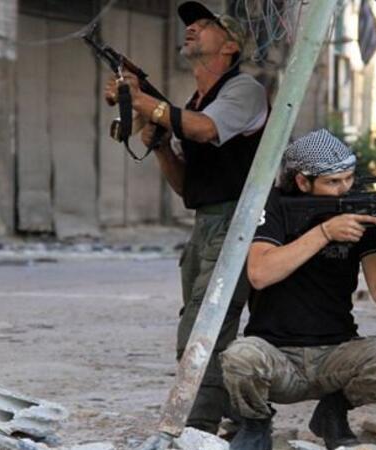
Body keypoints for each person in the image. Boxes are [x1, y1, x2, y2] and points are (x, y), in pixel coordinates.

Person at [220, 129, 376, 450]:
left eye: (349, 178)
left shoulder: (359, 210)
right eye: (333, 182)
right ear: (302, 182)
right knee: (239, 358)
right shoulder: (273, 205)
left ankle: (333, 412)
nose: (345, 188)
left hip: (336, 356)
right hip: (276, 354)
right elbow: (260, 274)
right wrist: (325, 232)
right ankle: (256, 424)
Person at [104, 1, 269, 435]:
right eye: (189, 26)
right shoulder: (195, 102)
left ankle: (197, 426)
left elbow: (205, 129)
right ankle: (241, 419)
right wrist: (160, 145)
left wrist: (142, 100)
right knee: (203, 322)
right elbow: (186, 187)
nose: (191, 29)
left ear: (230, 46)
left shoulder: (243, 90)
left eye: (204, 25)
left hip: (238, 222)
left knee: (202, 326)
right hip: (208, 223)